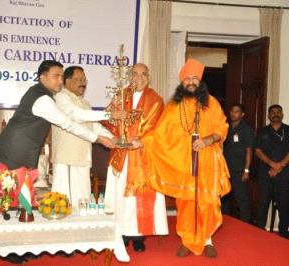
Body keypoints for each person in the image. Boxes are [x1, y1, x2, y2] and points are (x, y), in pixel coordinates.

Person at [139, 59, 231, 258]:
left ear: (200, 82)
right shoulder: (173, 106)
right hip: (182, 163)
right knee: (186, 203)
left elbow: (222, 127)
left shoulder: (212, 103)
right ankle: (187, 241)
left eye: (194, 78)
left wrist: (208, 140)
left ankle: (207, 240)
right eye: (187, 78)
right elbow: (160, 133)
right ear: (182, 82)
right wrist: (142, 141)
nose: (191, 81)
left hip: (207, 162)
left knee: (207, 202)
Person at [0, 60, 115, 171]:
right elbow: (68, 123)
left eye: (62, 77)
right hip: (14, 150)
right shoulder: (42, 99)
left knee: (19, 192)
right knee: (12, 192)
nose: (60, 81)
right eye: (56, 76)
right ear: (43, 78)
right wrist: (98, 138)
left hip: (21, 149)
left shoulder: (42, 93)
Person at [104, 63, 169, 252]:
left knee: (139, 198)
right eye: (135, 74)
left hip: (142, 156)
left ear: (148, 77)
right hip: (121, 154)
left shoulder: (155, 99)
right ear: (129, 77)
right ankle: (122, 232)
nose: (139, 78)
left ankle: (139, 236)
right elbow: (107, 118)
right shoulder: (120, 96)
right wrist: (115, 118)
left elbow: (160, 129)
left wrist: (142, 140)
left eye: (143, 74)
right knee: (120, 196)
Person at [51, 66, 122, 208]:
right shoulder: (60, 98)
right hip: (67, 158)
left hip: (83, 157)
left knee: (82, 199)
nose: (82, 83)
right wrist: (109, 114)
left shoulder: (85, 103)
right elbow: (77, 115)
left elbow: (94, 125)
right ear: (67, 81)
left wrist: (113, 138)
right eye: (78, 79)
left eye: (84, 80)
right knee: (64, 202)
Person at [255, 104, 289, 239]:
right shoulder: (262, 131)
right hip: (265, 174)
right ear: (269, 116)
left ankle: (283, 233)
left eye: (278, 112)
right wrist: (272, 164)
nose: (276, 114)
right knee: (262, 203)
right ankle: (259, 231)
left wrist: (280, 165)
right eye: (273, 112)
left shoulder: (288, 130)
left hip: (285, 174)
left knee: (284, 204)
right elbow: (257, 151)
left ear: (282, 114)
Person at [222, 104, 254, 223]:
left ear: (242, 114)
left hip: (239, 170)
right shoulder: (226, 127)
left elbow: (249, 151)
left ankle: (246, 225)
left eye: (236, 111)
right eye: (232, 111)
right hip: (225, 169)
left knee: (241, 198)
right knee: (224, 197)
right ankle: (225, 222)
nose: (233, 113)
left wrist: (246, 170)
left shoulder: (247, 129)